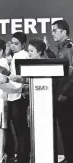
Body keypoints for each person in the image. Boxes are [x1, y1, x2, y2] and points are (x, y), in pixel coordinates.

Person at [0, 32, 30, 163]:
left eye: (17, 44)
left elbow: (22, 78)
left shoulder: (23, 56)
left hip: (19, 96)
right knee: (17, 129)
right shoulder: (15, 56)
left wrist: (8, 75)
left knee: (20, 130)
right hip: (12, 95)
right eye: (12, 43)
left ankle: (23, 157)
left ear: (23, 45)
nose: (13, 46)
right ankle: (19, 155)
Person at [46, 19, 73, 163]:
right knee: (64, 129)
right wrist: (48, 51)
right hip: (61, 94)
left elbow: (71, 72)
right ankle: (69, 157)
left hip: (67, 96)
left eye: (55, 31)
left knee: (68, 129)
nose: (53, 34)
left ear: (63, 31)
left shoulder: (69, 47)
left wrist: (64, 93)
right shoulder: (61, 47)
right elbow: (59, 66)